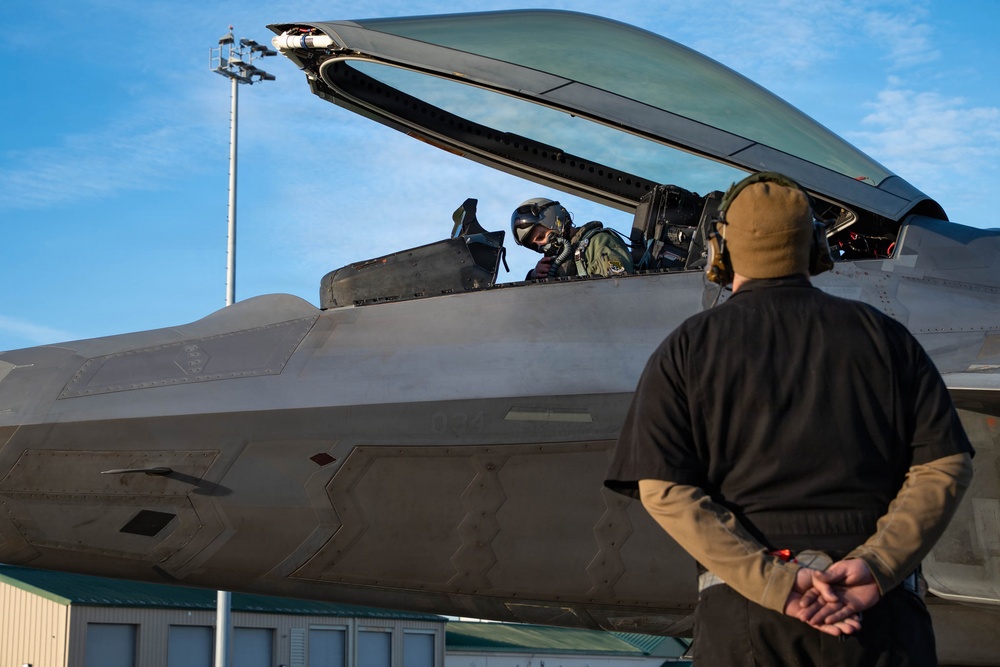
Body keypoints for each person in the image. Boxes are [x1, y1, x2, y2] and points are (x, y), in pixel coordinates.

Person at [604, 172, 974, 666]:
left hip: (749, 624)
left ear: (720, 251)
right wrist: (876, 565)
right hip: (879, 620)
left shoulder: (686, 349)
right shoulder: (887, 339)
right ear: (816, 246)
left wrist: (779, 584)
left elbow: (664, 490)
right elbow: (945, 465)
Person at [510, 198, 634, 279]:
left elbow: (618, 290)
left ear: (556, 221)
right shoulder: (558, 263)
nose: (542, 246)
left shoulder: (598, 243)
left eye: (541, 236)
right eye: (536, 246)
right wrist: (535, 276)